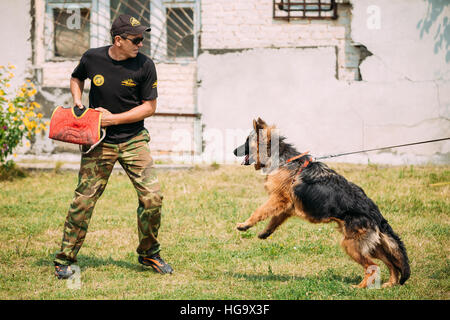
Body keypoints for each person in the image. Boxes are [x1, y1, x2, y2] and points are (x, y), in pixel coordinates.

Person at [53, 14, 173, 278]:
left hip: (134, 140)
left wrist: (113, 118)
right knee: (84, 201)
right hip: (99, 140)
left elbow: (149, 107)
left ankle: (149, 253)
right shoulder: (92, 58)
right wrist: (77, 102)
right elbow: (76, 78)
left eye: (143, 38)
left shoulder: (145, 65)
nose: (141, 44)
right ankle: (65, 258)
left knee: (152, 198)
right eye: (136, 39)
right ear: (118, 40)